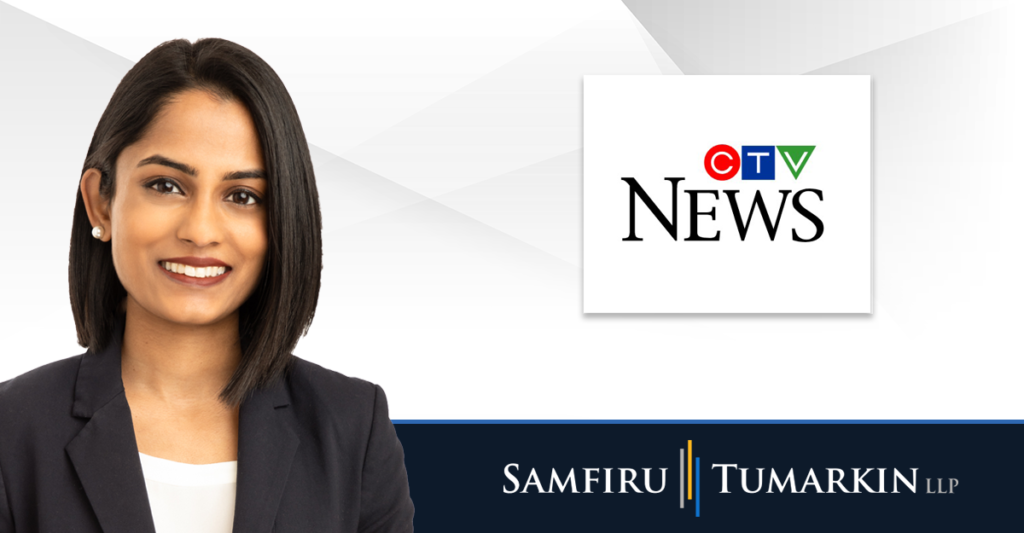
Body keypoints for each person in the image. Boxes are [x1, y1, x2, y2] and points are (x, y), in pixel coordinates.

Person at [0, 38, 414, 532]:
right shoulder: (12, 430)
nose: (200, 230)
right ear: (101, 204)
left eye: (242, 195)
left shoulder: (352, 430)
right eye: (166, 185)